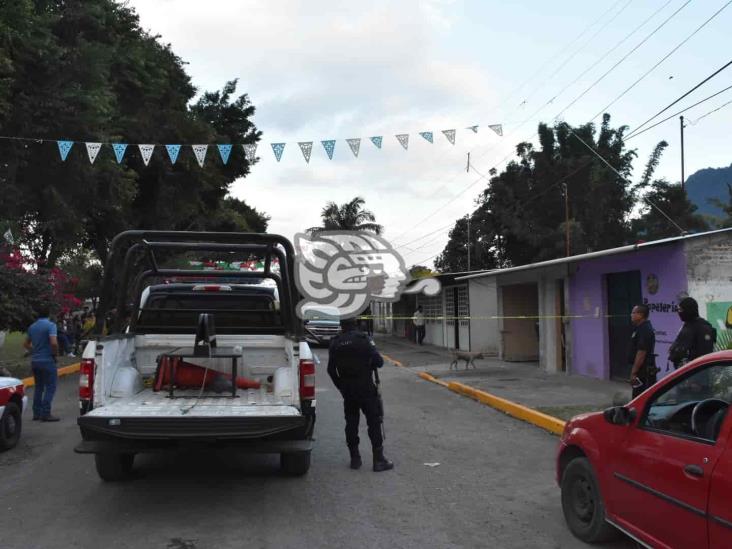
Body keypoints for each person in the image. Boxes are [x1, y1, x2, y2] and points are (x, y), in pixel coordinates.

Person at [327, 317, 394, 472]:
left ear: (341, 326)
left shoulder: (335, 342)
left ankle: (355, 459)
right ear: (356, 324)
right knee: (373, 422)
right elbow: (379, 362)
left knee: (351, 422)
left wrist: (341, 387)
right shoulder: (364, 339)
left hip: (348, 390)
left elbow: (331, 370)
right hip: (365, 388)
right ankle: (378, 460)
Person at [23, 306, 61, 421]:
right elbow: (54, 343)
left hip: (35, 361)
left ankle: (36, 413)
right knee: (51, 386)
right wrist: (55, 354)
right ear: (48, 314)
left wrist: (34, 350)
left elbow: (26, 344)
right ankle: (46, 413)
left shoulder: (32, 327)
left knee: (39, 387)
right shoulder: (51, 325)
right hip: (47, 360)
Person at [668, 297, 717, 369]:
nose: (679, 312)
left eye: (681, 310)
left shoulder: (703, 328)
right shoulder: (688, 325)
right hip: (684, 372)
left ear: (689, 310)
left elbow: (704, 355)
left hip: (696, 373)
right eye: (678, 310)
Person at [628, 304, 657, 399]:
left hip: (644, 371)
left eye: (633, 313)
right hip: (641, 370)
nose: (631, 315)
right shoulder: (639, 328)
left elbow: (641, 352)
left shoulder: (645, 329)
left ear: (640, 315)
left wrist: (634, 372)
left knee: (640, 397)